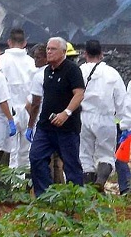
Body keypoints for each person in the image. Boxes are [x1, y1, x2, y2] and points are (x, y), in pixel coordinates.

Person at [28, 37, 85, 197]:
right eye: (47, 49)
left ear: (63, 52)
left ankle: (76, 199)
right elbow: (37, 100)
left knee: (71, 164)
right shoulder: (47, 71)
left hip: (66, 128)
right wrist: (31, 125)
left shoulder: (72, 70)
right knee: (36, 157)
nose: (49, 52)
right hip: (46, 126)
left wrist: (66, 113)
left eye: (53, 49)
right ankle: (45, 196)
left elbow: (79, 94)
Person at [79, 40, 126, 191]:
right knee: (106, 154)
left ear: (85, 53)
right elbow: (121, 101)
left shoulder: (79, 70)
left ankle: (89, 191)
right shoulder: (112, 73)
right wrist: (121, 122)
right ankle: (100, 181)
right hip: (106, 118)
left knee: (85, 155)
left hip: (83, 117)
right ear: (102, 54)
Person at [26, 44, 65, 184]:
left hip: (42, 124)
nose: (35, 60)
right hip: (59, 120)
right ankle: (60, 190)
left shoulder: (38, 75)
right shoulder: (60, 72)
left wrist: (30, 125)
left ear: (46, 58)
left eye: (38, 57)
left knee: (43, 158)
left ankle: (46, 191)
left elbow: (32, 104)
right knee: (58, 161)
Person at [0, 28, 36, 169]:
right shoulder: (31, 62)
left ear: (9, 42)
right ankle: (26, 185)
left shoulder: (2, 61)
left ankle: (13, 186)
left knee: (11, 153)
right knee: (26, 153)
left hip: (9, 112)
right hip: (29, 110)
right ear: (25, 43)